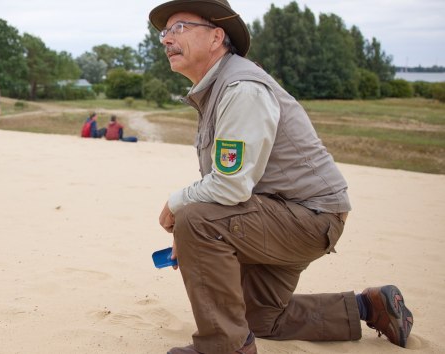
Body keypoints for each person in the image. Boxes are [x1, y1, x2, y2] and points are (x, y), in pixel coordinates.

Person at [149, 1, 413, 353]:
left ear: (216, 37)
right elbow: (230, 183)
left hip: (308, 217)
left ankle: (223, 348)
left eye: (179, 27)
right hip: (286, 214)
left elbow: (229, 185)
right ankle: (370, 306)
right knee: (261, 320)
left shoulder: (241, 87)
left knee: (196, 217)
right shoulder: (219, 87)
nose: (166, 39)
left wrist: (180, 208)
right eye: (165, 31)